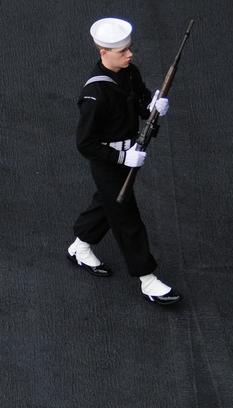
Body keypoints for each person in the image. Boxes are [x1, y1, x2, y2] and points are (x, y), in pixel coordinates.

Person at [68, 18, 180, 305]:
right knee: (127, 218)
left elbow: (141, 104)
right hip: (108, 161)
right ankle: (147, 278)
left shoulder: (129, 73)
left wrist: (154, 106)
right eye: (123, 51)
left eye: (130, 49)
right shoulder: (94, 94)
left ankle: (81, 245)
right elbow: (85, 144)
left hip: (130, 152)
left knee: (109, 203)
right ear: (104, 53)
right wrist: (121, 157)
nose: (130, 55)